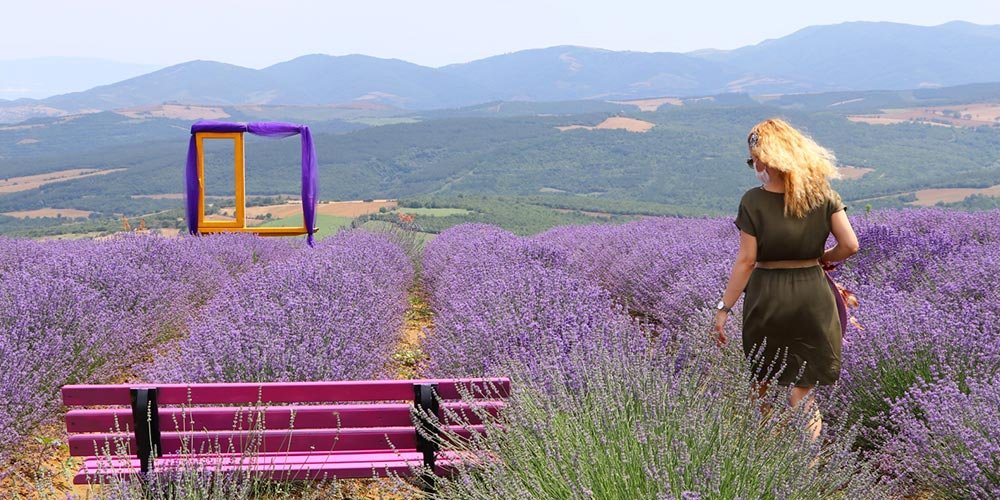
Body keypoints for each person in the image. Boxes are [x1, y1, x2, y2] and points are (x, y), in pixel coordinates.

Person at [713, 118, 860, 440]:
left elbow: (747, 260)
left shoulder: (753, 200)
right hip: (813, 294)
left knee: (763, 382)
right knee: (802, 391)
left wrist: (724, 308)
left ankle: (771, 453)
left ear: (765, 158)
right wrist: (822, 259)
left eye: (754, 160)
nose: (755, 166)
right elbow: (850, 245)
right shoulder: (823, 195)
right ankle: (806, 466)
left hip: (768, 297)